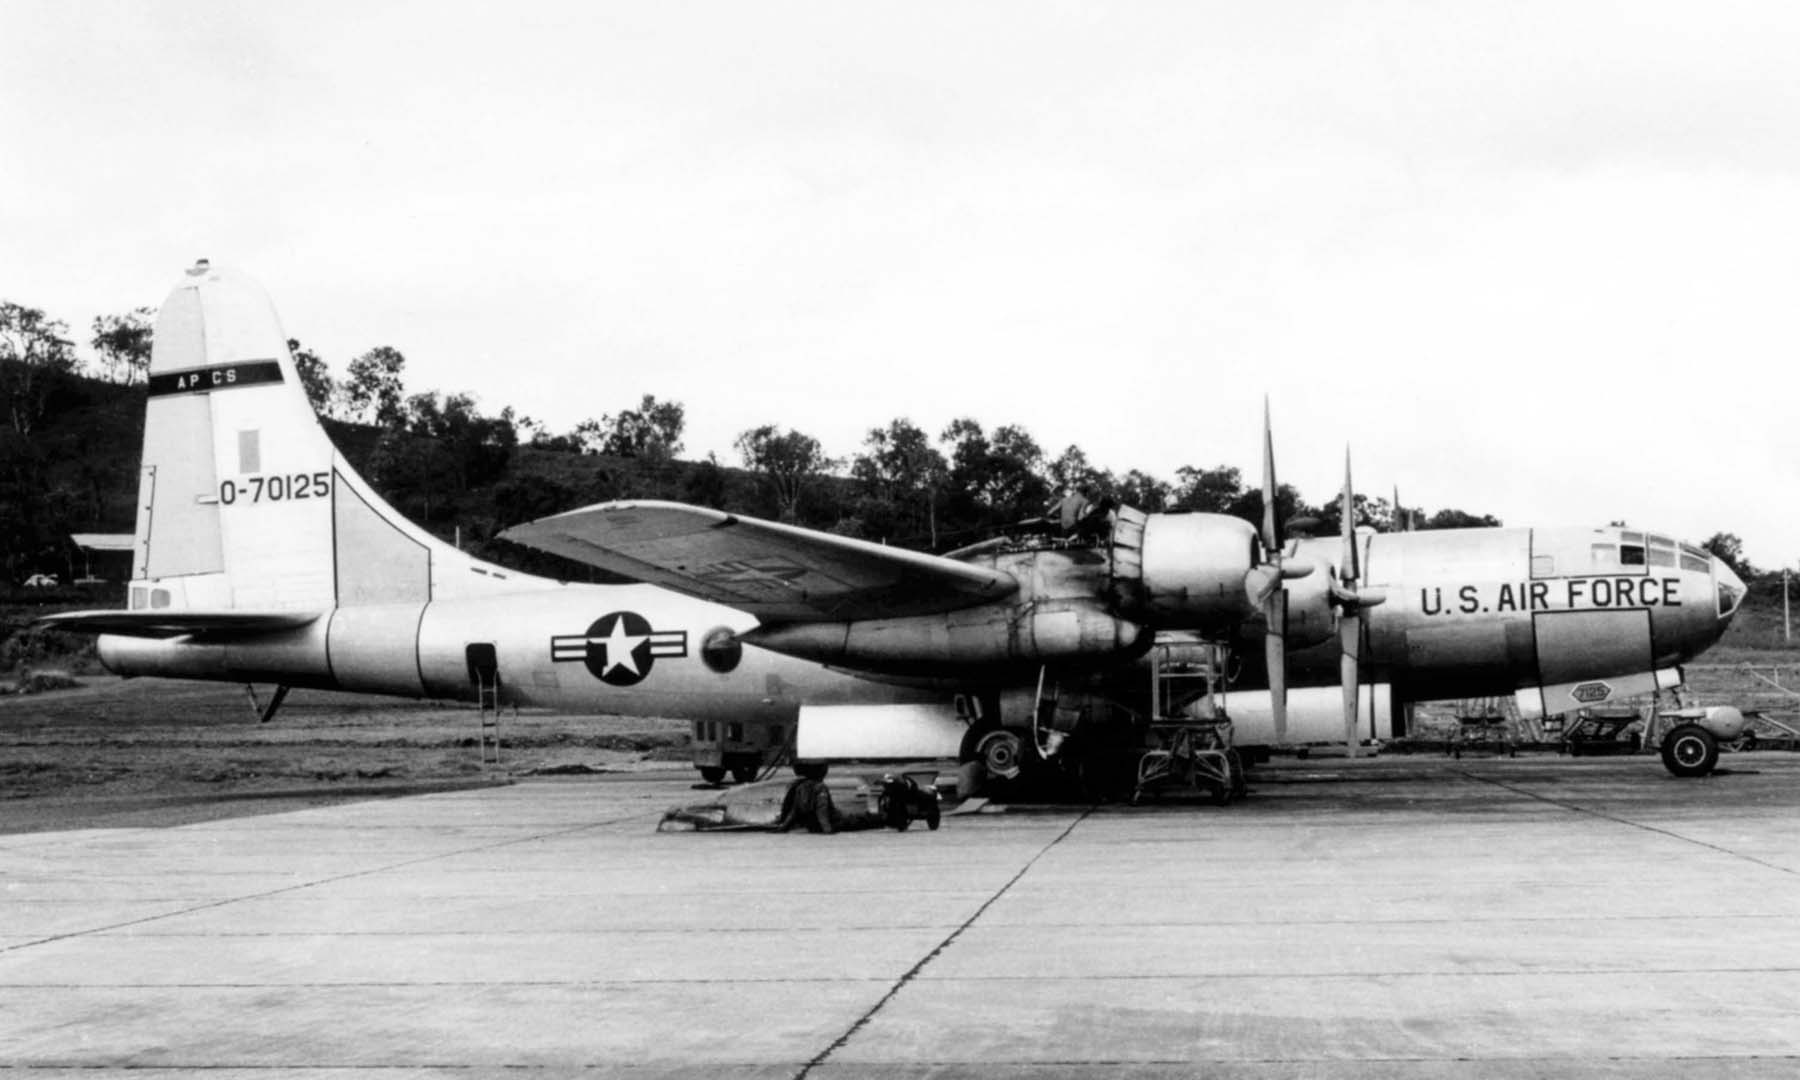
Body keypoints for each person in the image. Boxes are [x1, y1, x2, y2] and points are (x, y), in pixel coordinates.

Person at [773, 763, 838, 833]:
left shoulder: (799, 788)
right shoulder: (819, 787)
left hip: (810, 824)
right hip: (822, 823)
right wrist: (827, 830)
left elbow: (794, 812)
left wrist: (783, 827)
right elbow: (822, 811)